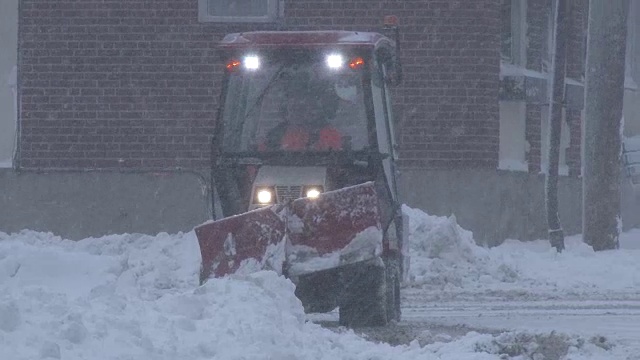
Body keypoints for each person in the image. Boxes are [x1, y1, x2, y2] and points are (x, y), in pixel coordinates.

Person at [263, 76, 343, 151]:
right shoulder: (275, 136)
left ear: (313, 108)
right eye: (293, 107)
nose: (297, 112)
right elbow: (259, 159)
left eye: (302, 107)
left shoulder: (328, 134)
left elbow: (334, 162)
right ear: (286, 108)